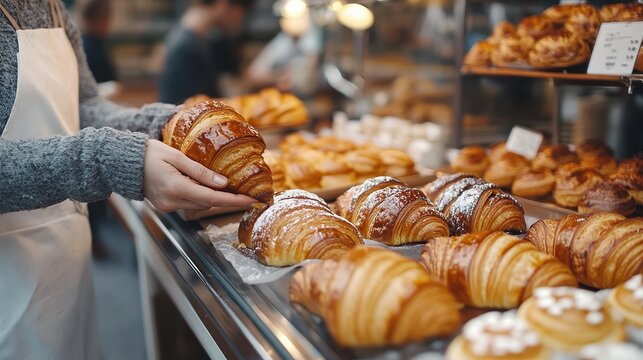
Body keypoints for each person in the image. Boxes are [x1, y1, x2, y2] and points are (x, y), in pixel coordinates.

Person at [0, 1, 255, 359]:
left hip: (63, 259)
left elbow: (84, 105)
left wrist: (171, 126)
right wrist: (109, 158)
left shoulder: (49, 7)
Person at [159, 0, 253, 104]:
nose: (239, 19)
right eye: (241, 12)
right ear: (222, 3)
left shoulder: (199, 39)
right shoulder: (187, 46)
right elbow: (185, 107)